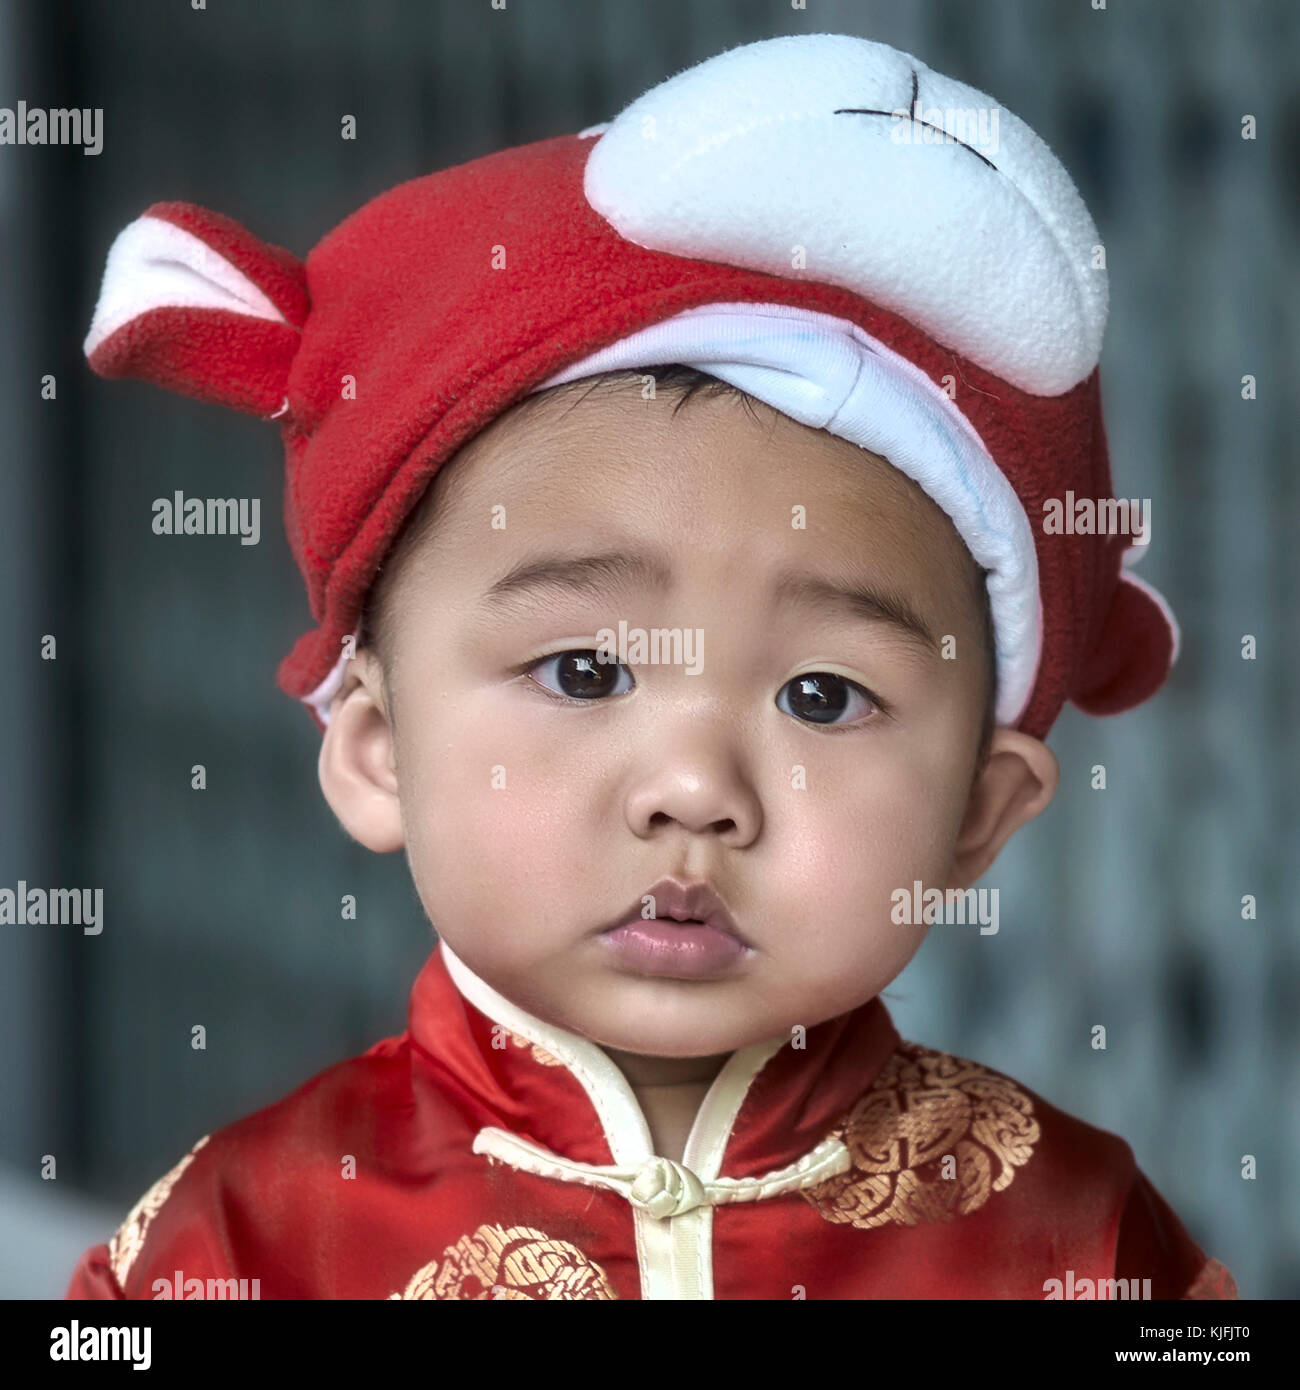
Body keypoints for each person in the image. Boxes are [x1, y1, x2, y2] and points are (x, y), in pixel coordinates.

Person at [65, 32, 1237, 1300]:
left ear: (976, 812)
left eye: (820, 696)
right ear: (374, 747)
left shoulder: (1079, 1240)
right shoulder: (240, 1241)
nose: (692, 787)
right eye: (582, 673)